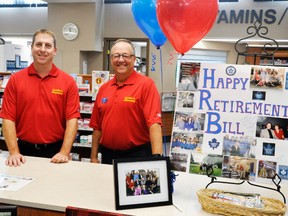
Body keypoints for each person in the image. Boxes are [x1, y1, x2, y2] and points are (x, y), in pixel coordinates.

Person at [0, 29, 80, 167]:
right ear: (31, 48)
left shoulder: (68, 82)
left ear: (55, 50)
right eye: (39, 45)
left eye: (48, 46)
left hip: (56, 152)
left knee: (54, 188)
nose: (43, 49)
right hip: (23, 153)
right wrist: (13, 152)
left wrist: (64, 152)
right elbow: (8, 118)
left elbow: (72, 120)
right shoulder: (16, 80)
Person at [89, 39, 163, 165]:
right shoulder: (103, 89)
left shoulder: (146, 85)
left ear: (134, 59)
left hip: (136, 155)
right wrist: (93, 157)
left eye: (125, 56)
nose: (121, 60)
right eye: (116, 56)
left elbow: (154, 124)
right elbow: (97, 127)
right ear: (111, 59)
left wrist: (157, 159)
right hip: (107, 155)